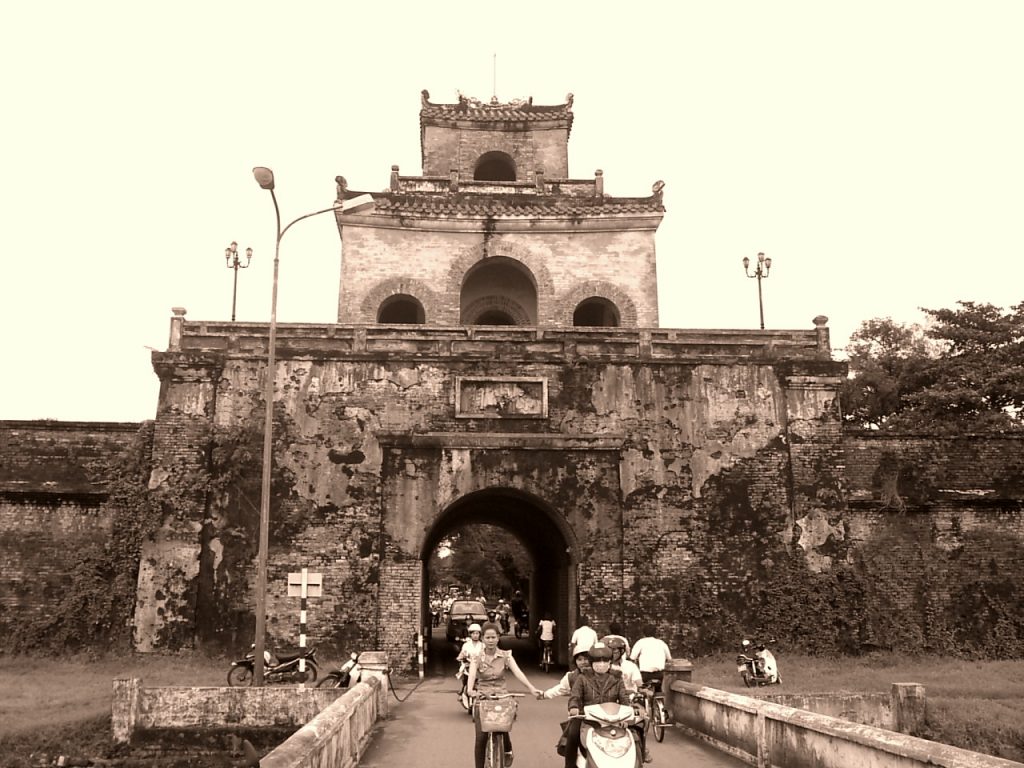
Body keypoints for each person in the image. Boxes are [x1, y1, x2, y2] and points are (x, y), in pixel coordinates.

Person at [467, 622, 542, 768]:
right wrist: (470, 689)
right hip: (483, 697)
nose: (490, 640)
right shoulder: (477, 657)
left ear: (498, 638)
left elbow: (518, 672)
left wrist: (531, 688)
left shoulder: (506, 656)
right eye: (487, 637)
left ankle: (507, 749)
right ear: (482, 638)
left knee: (503, 725)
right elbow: (471, 674)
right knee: (481, 738)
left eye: (493, 637)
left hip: (502, 696)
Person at [562, 643, 631, 768]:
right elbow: (575, 696)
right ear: (592, 662)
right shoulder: (582, 678)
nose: (602, 664)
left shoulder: (617, 678)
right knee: (572, 735)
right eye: (598, 661)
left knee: (633, 736)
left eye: (605, 660)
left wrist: (627, 715)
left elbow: (624, 698)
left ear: (610, 662)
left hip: (613, 719)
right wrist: (574, 707)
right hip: (587, 719)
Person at [603, 635, 650, 762]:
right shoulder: (604, 666)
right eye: (610, 650)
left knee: (643, 720)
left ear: (622, 651)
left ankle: (643, 748)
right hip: (610, 701)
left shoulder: (630, 666)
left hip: (630, 700)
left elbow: (639, 683)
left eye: (615, 651)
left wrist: (643, 690)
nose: (613, 653)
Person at [629, 624, 672, 691]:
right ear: (655, 633)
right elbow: (669, 659)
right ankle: (659, 699)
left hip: (645, 674)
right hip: (659, 674)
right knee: (658, 690)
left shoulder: (640, 642)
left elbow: (632, 658)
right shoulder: (661, 643)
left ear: (644, 633)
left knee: (643, 691)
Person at [456, 623, 484, 698]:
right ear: (470, 634)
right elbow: (461, 654)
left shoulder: (483, 645)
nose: (475, 635)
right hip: (468, 665)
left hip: (479, 667)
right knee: (465, 675)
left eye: (477, 633)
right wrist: (461, 657)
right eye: (473, 633)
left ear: (479, 634)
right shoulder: (466, 645)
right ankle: (463, 688)